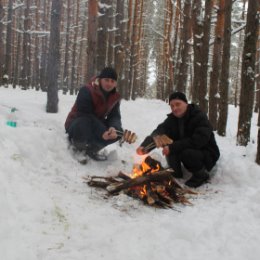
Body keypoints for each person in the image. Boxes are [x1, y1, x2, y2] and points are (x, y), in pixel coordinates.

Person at [136, 92, 220, 188]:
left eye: (177, 104)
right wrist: (144, 147)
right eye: (172, 106)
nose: (174, 108)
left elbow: (198, 141)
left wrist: (172, 147)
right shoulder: (172, 119)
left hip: (206, 153)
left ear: (186, 103)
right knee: (167, 143)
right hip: (187, 149)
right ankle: (176, 172)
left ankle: (201, 175)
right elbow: (159, 132)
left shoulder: (199, 116)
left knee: (180, 150)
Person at [65, 67, 123, 161]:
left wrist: (113, 128)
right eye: (106, 80)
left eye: (112, 81)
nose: (109, 83)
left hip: (95, 125)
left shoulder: (115, 97)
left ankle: (92, 150)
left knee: (118, 132)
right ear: (100, 80)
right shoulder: (87, 90)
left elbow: (114, 116)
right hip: (76, 123)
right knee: (84, 122)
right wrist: (102, 131)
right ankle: (78, 149)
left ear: (115, 83)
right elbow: (84, 113)